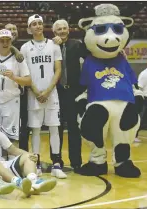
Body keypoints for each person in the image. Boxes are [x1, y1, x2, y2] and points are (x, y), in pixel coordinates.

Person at [0, 103, 57, 196]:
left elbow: (13, 150)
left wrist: (30, 155)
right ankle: (17, 182)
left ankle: (34, 181)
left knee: (27, 157)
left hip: (2, 166)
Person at [20, 14, 66, 178]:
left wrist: (47, 91)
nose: (38, 26)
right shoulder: (25, 47)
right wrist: (36, 90)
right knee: (36, 130)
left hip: (51, 94)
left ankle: (56, 164)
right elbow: (24, 72)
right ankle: (36, 163)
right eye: (34, 24)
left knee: (54, 128)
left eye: (40, 23)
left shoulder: (54, 45)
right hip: (34, 95)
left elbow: (58, 70)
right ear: (29, 28)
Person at [52, 19, 86, 170]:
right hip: (56, 92)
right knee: (56, 128)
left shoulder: (77, 44)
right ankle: (56, 160)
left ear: (69, 30)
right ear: (55, 32)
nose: (62, 31)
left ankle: (76, 162)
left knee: (74, 128)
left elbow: (93, 56)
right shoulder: (51, 45)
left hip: (73, 92)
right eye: (59, 29)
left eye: (65, 28)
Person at [0, 29, 32, 142]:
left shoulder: (18, 59)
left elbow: (28, 81)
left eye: (7, 40)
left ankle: (13, 160)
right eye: (1, 40)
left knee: (11, 139)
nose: (5, 43)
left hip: (10, 102)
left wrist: (14, 77)